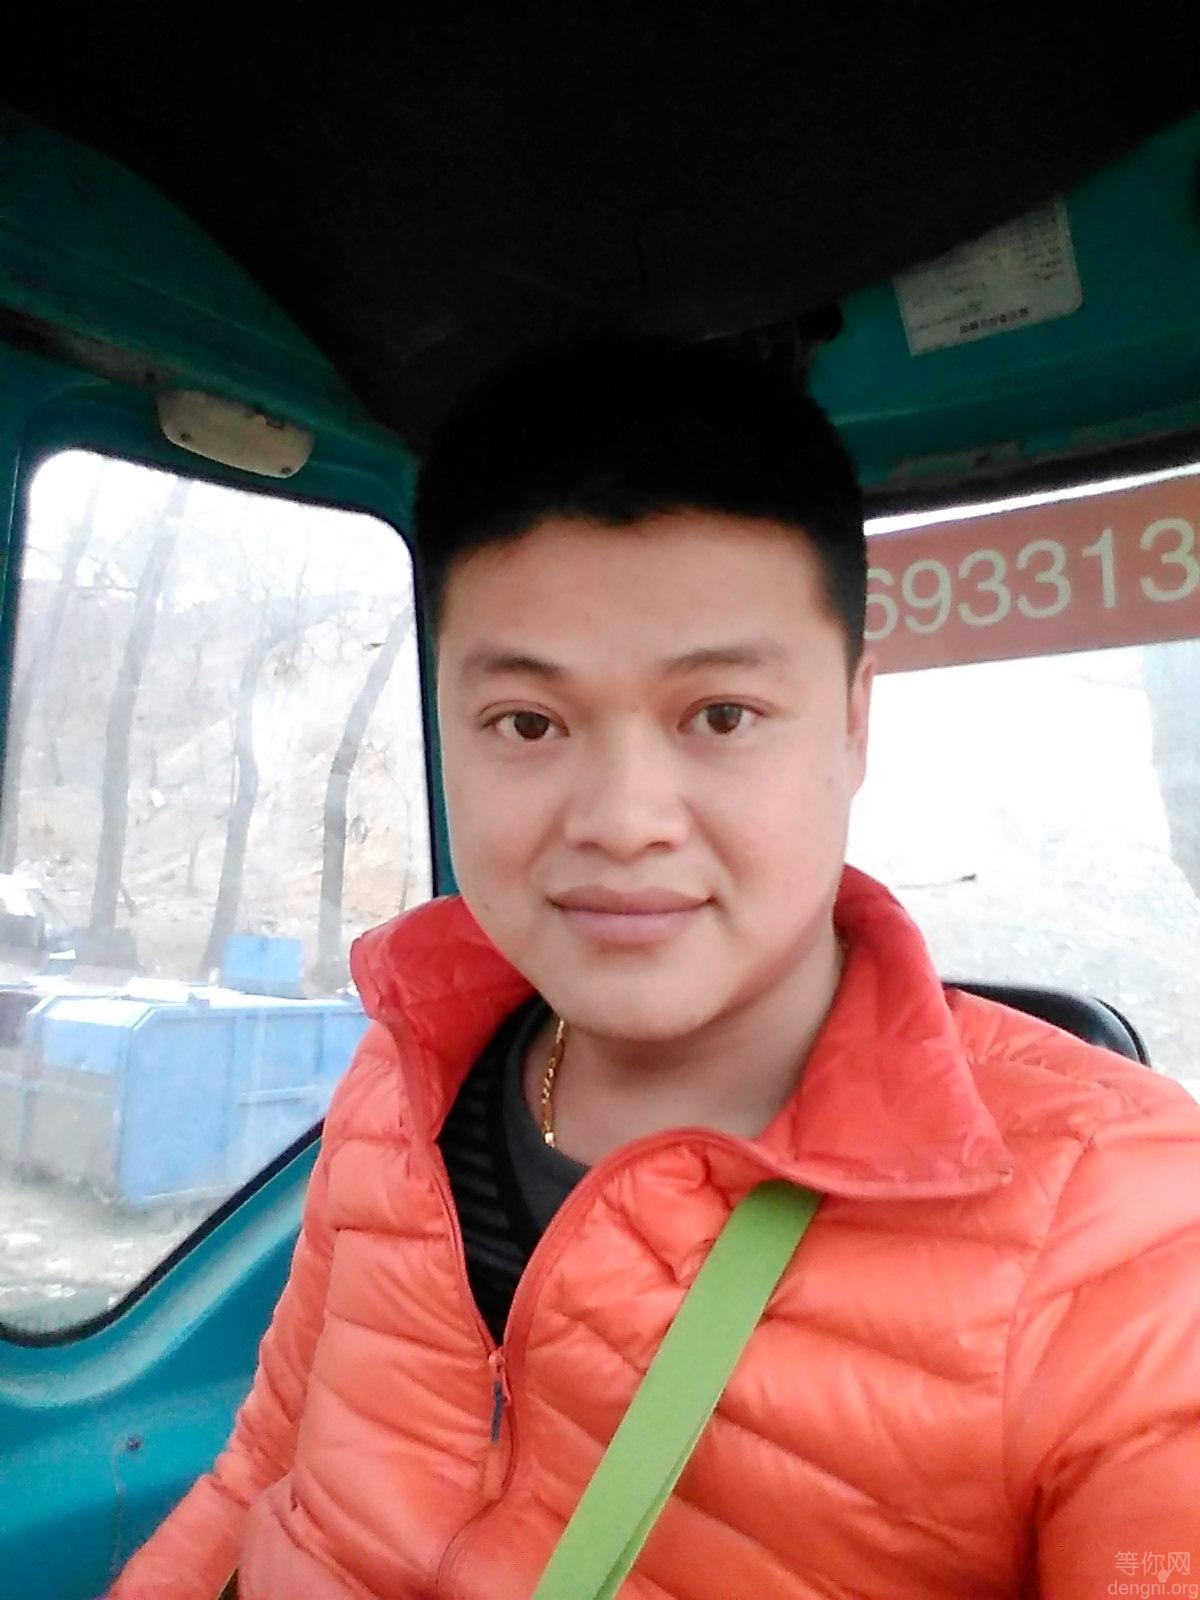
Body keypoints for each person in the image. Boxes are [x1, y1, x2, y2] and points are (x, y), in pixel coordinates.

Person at [111, 340, 1200, 1599]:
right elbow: (263, 1467)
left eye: (720, 715)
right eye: (529, 723)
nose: (624, 821)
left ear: (853, 723)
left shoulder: (1128, 1232)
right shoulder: (407, 1074)